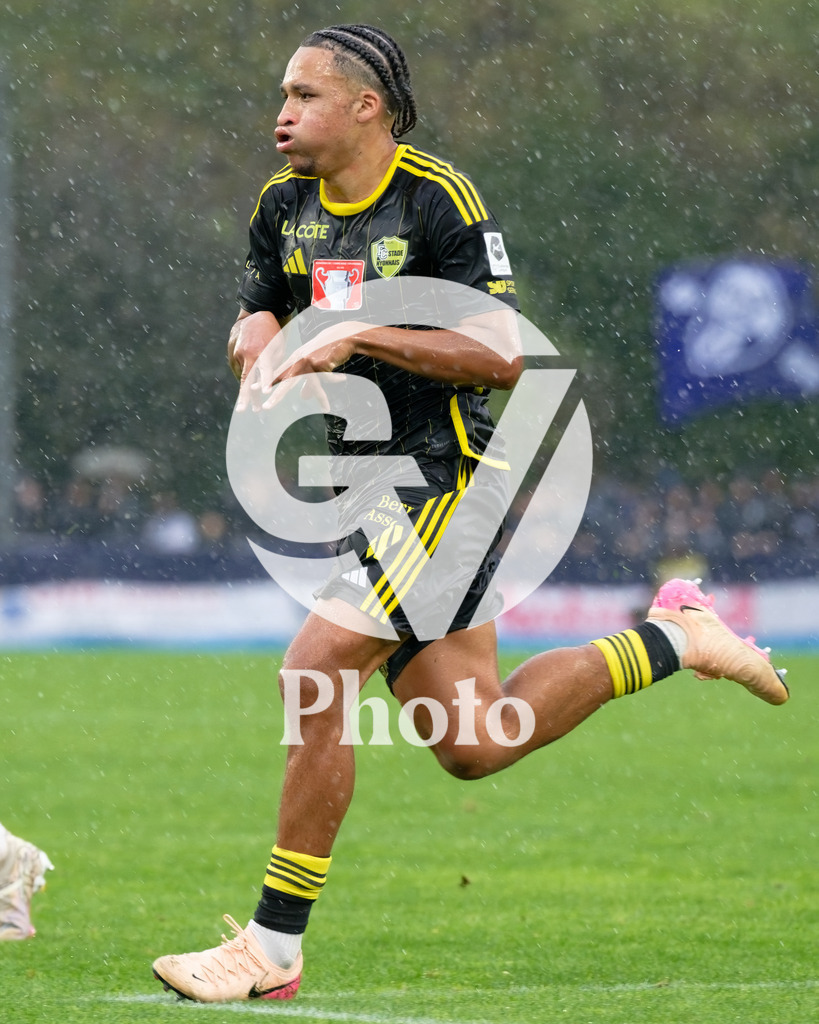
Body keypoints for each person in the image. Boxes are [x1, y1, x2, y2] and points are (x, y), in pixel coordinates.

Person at [152, 24, 789, 1003]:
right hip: (368, 495)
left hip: (446, 482)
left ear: (366, 107)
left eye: (304, 95)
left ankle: (272, 949)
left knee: (313, 673)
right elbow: (259, 306)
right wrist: (259, 340)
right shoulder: (283, 204)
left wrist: (362, 332)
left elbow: (504, 355)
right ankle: (674, 638)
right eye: (284, 94)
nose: (282, 113)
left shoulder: (436, 200)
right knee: (475, 742)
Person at [0, 821, 54, 940]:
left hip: (20, 864)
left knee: (13, 922)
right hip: (8, 869)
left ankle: (19, 925)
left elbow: (2, 850)